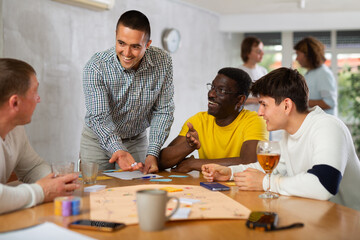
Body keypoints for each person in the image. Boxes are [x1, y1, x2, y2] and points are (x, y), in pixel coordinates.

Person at [201, 67, 360, 211]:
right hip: (318, 218)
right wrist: (230, 173)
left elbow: (323, 185)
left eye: (264, 104)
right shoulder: (289, 134)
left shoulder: (328, 127)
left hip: (348, 224)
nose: (259, 112)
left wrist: (266, 183)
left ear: (286, 106)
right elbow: (271, 168)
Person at [80, 10, 174, 174]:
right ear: (115, 35)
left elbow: (163, 110)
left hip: (135, 140)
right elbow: (99, 116)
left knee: (133, 192)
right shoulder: (96, 67)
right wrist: (117, 149)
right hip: (98, 140)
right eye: (121, 43)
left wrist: (153, 152)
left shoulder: (163, 62)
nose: (127, 53)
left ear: (148, 44)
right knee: (94, 191)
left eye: (136, 46)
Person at [0, 58, 79, 215]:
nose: (39, 99)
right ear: (14, 103)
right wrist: (41, 191)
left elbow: (32, 167)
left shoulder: (16, 129)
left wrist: (56, 182)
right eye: (34, 92)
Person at [159, 67, 268, 173]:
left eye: (221, 90)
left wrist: (195, 164)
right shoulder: (198, 120)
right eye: (212, 88)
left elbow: (248, 163)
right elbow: (161, 161)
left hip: (241, 189)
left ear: (240, 100)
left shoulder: (254, 121)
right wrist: (188, 146)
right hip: (207, 187)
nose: (211, 94)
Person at [294, 36, 337, 115]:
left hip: (324, 124)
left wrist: (299, 102)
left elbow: (329, 103)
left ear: (307, 55)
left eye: (298, 54)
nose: (296, 59)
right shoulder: (310, 73)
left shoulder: (323, 74)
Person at [239, 36, 267, 113]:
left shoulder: (263, 71)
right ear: (248, 53)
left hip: (261, 115)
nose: (262, 53)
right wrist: (256, 100)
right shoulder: (239, 72)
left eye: (262, 51)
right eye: (258, 51)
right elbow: (235, 99)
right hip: (246, 116)